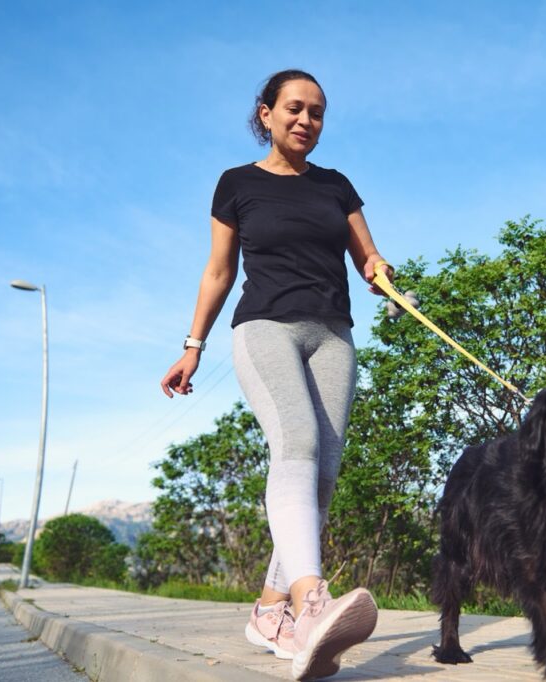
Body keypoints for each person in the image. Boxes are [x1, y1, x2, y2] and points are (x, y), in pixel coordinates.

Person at [160, 68, 392, 681]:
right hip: (264, 328)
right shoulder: (237, 184)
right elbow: (218, 271)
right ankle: (310, 605)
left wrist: (379, 270)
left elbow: (365, 254)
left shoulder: (337, 186)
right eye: (294, 108)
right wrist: (192, 346)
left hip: (332, 334)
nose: (305, 120)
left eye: (317, 112)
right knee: (296, 442)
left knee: (324, 471)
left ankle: (269, 611)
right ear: (265, 114)